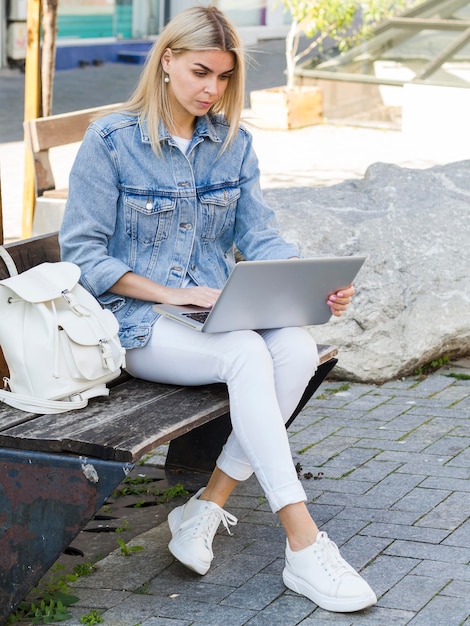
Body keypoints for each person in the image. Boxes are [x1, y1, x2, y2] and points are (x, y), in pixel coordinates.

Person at [59, 5, 376, 614]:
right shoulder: (113, 141)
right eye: (201, 71)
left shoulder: (232, 143)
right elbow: (82, 256)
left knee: (296, 346)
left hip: (210, 313)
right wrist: (169, 293)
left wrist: (307, 283)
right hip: (134, 321)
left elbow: (259, 237)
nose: (212, 89)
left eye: (225, 77)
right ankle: (304, 543)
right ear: (168, 60)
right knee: (246, 351)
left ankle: (206, 506)